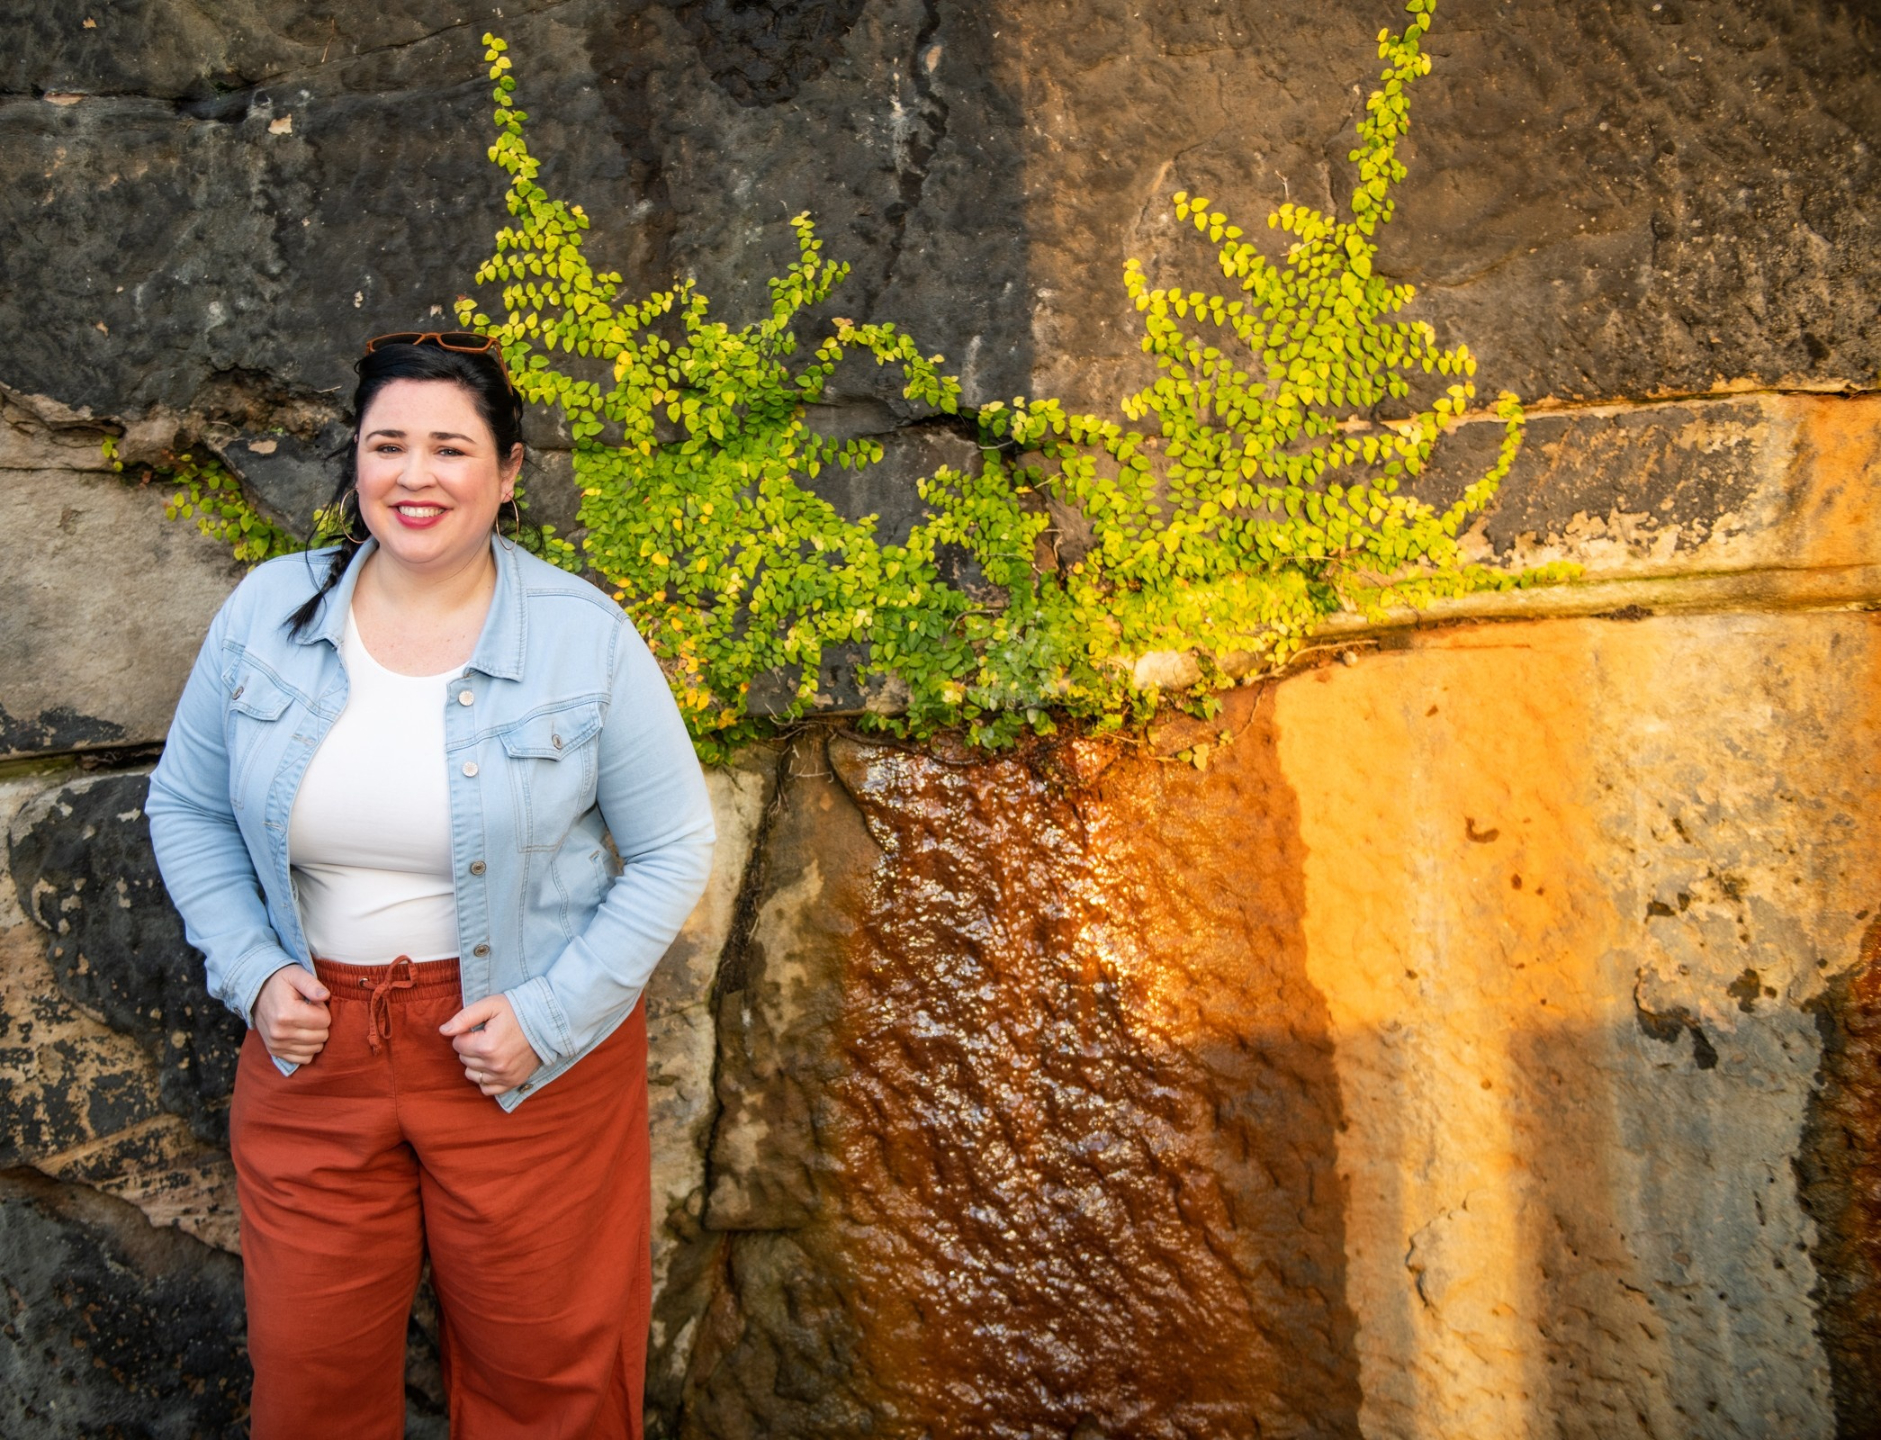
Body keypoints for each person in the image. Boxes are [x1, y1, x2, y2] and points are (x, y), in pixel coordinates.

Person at [145, 332, 716, 1439]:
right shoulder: (266, 613)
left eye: (451, 448)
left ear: (507, 473)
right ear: (355, 462)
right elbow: (187, 807)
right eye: (387, 445)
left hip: (522, 1056)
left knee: (549, 1388)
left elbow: (673, 846)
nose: (416, 476)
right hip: (313, 1050)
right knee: (309, 1387)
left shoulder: (584, 639)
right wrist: (253, 972)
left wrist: (548, 1019)